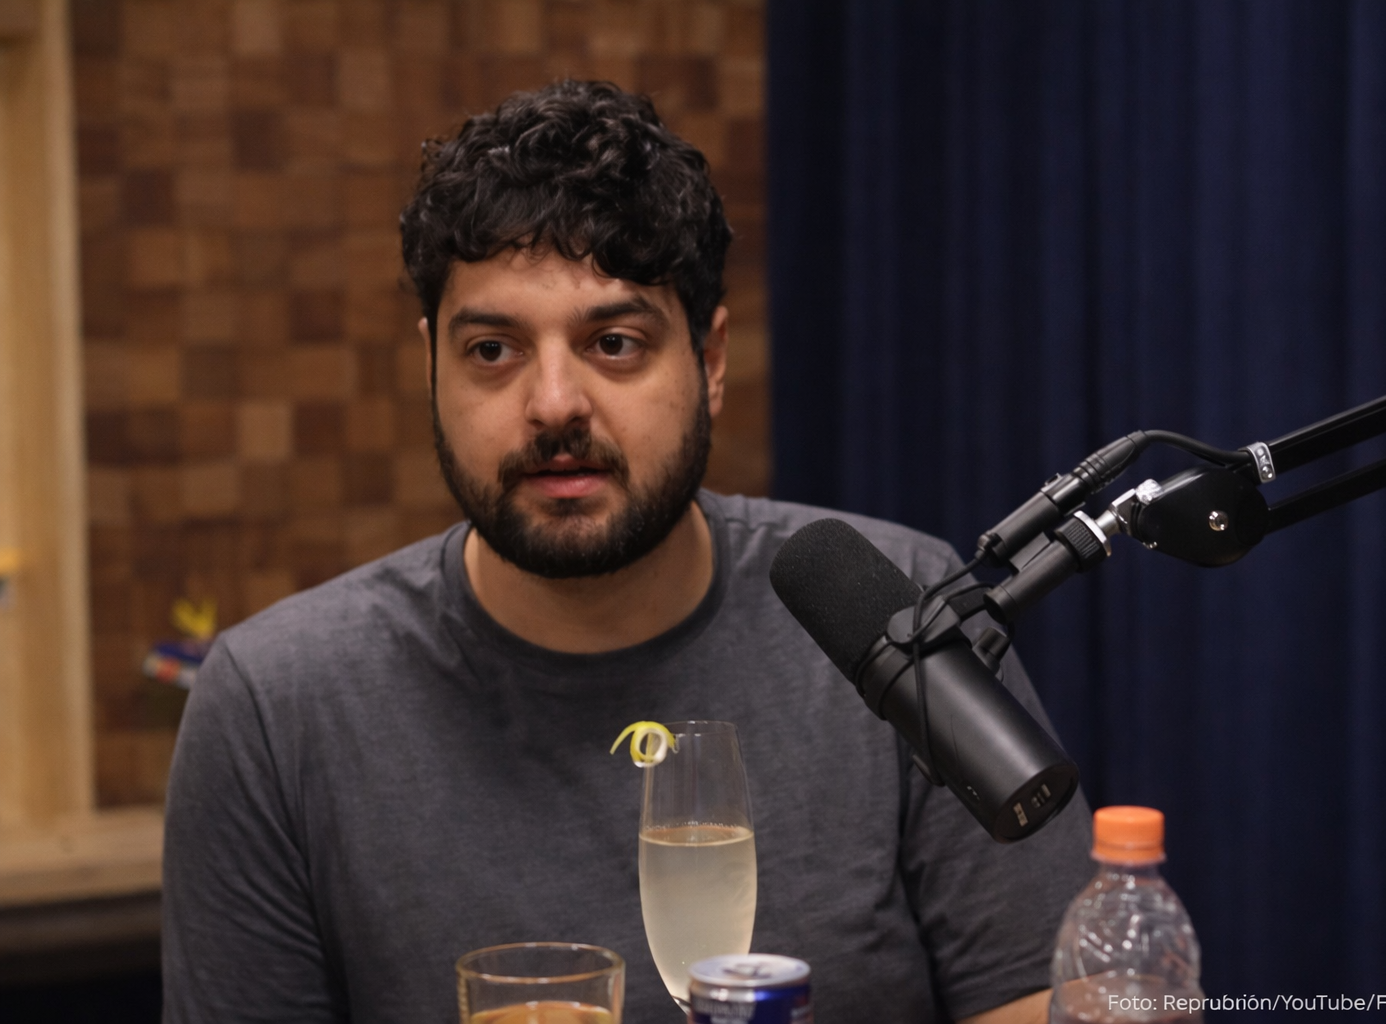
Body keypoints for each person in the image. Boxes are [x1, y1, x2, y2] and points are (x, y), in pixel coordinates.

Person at [161, 80, 1093, 1024]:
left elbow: (1055, 998)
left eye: (613, 342)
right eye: (492, 351)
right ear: (430, 366)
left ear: (711, 361)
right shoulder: (276, 706)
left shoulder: (894, 615)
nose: (553, 405)